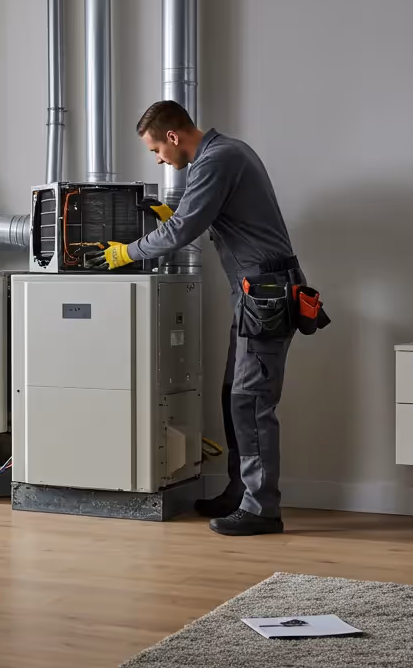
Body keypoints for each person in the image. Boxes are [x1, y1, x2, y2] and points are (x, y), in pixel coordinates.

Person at [97, 100, 302, 537]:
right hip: (254, 293)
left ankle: (262, 508)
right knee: (235, 394)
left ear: (173, 136)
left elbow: (181, 231)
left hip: (265, 293)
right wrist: (179, 217)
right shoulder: (226, 153)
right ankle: (240, 492)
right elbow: (208, 220)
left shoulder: (217, 159)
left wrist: (125, 253)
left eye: (156, 150)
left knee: (251, 400)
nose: (158, 159)